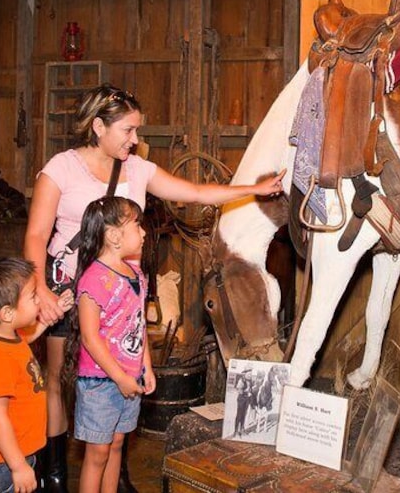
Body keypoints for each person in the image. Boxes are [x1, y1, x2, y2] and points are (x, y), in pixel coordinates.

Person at [24, 84, 285, 491]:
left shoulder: (138, 170)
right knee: (60, 376)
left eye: (137, 131)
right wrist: (39, 288)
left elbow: (194, 192)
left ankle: (117, 469)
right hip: (66, 287)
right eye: (128, 130)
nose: (136, 139)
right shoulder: (61, 168)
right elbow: (37, 234)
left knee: (121, 373)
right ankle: (54, 472)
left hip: (121, 291)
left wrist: (252, 189)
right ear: (98, 126)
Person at [59, 196, 154, 492]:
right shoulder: (94, 279)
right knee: (97, 453)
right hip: (101, 382)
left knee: (116, 445)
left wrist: (146, 367)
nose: (144, 232)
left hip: (129, 379)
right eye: (137, 225)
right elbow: (89, 337)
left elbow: (140, 326)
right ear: (113, 236)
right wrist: (121, 378)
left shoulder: (137, 274)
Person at [0, 257, 61, 493]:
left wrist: (49, 318)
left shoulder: (6, 336)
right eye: (33, 296)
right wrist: (17, 466)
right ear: (6, 313)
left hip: (15, 454)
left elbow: (28, 337)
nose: (38, 300)